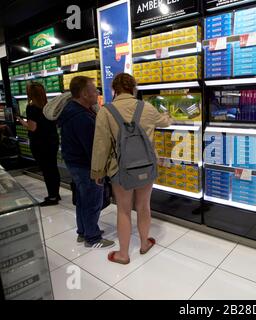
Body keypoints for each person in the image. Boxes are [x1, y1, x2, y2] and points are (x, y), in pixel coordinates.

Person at [91, 73, 172, 264]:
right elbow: (165, 122)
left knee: (124, 210)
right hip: (146, 166)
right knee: (144, 206)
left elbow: (100, 145)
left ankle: (124, 254)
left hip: (120, 169)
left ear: (114, 90)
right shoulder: (147, 108)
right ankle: (144, 244)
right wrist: (167, 115)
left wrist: (97, 172)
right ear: (133, 88)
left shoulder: (106, 111)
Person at [58, 76, 114, 249]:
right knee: (92, 201)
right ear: (84, 93)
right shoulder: (81, 117)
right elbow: (93, 149)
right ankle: (92, 237)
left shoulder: (73, 110)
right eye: (94, 89)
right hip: (86, 166)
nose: (97, 92)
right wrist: (100, 170)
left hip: (74, 163)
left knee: (83, 199)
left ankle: (83, 232)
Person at [18, 82, 60, 206]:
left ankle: (52, 197)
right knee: (53, 167)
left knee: (46, 169)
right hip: (52, 140)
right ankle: (56, 193)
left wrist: (22, 121)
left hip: (40, 143)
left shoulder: (31, 107)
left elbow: (32, 127)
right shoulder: (48, 106)